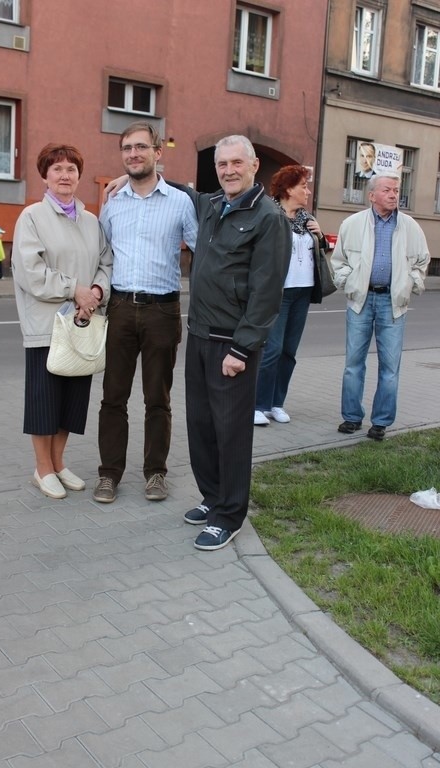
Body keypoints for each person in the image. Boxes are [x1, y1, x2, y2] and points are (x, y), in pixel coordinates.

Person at [181, 136, 291, 550]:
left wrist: (242, 350)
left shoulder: (268, 217)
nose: (228, 170)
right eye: (221, 163)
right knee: (202, 426)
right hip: (199, 336)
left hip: (233, 345)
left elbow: (266, 294)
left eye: (236, 163)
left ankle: (230, 515)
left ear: (254, 164)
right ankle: (212, 499)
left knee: (230, 432)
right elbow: (182, 191)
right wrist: (134, 173)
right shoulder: (213, 205)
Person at [93, 121, 198, 505]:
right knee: (112, 398)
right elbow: (101, 255)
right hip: (119, 308)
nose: (133, 154)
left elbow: (202, 248)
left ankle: (155, 473)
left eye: (141, 147)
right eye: (126, 149)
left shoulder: (180, 202)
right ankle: (109, 475)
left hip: (162, 311)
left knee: (158, 399)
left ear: (158, 152)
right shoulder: (113, 203)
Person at [12, 143, 112, 499]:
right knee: (45, 402)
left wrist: (97, 294)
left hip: (82, 322)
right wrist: (76, 291)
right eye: (57, 169)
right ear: (45, 175)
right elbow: (31, 272)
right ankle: (41, 470)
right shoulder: (33, 217)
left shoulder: (91, 221)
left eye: (71, 169)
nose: (65, 175)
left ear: (79, 175)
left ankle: (58, 462)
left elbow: (105, 263)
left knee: (72, 400)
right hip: (47, 326)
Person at [332, 174, 429, 441]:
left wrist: (409, 285)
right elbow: (338, 261)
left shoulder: (409, 226)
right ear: (371, 195)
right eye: (387, 190)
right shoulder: (351, 224)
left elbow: (422, 262)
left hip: (392, 303)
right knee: (353, 364)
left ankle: (381, 422)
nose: (393, 195)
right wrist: (349, 283)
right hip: (360, 300)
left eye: (396, 190)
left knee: (390, 366)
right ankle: (351, 417)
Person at [254, 165, 330, 426]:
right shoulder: (270, 214)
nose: (307, 191)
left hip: (303, 291)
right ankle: (258, 404)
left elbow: (319, 250)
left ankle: (277, 403)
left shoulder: (306, 218)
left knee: (289, 351)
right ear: (288, 189)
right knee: (272, 349)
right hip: (280, 291)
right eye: (303, 186)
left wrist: (320, 236)